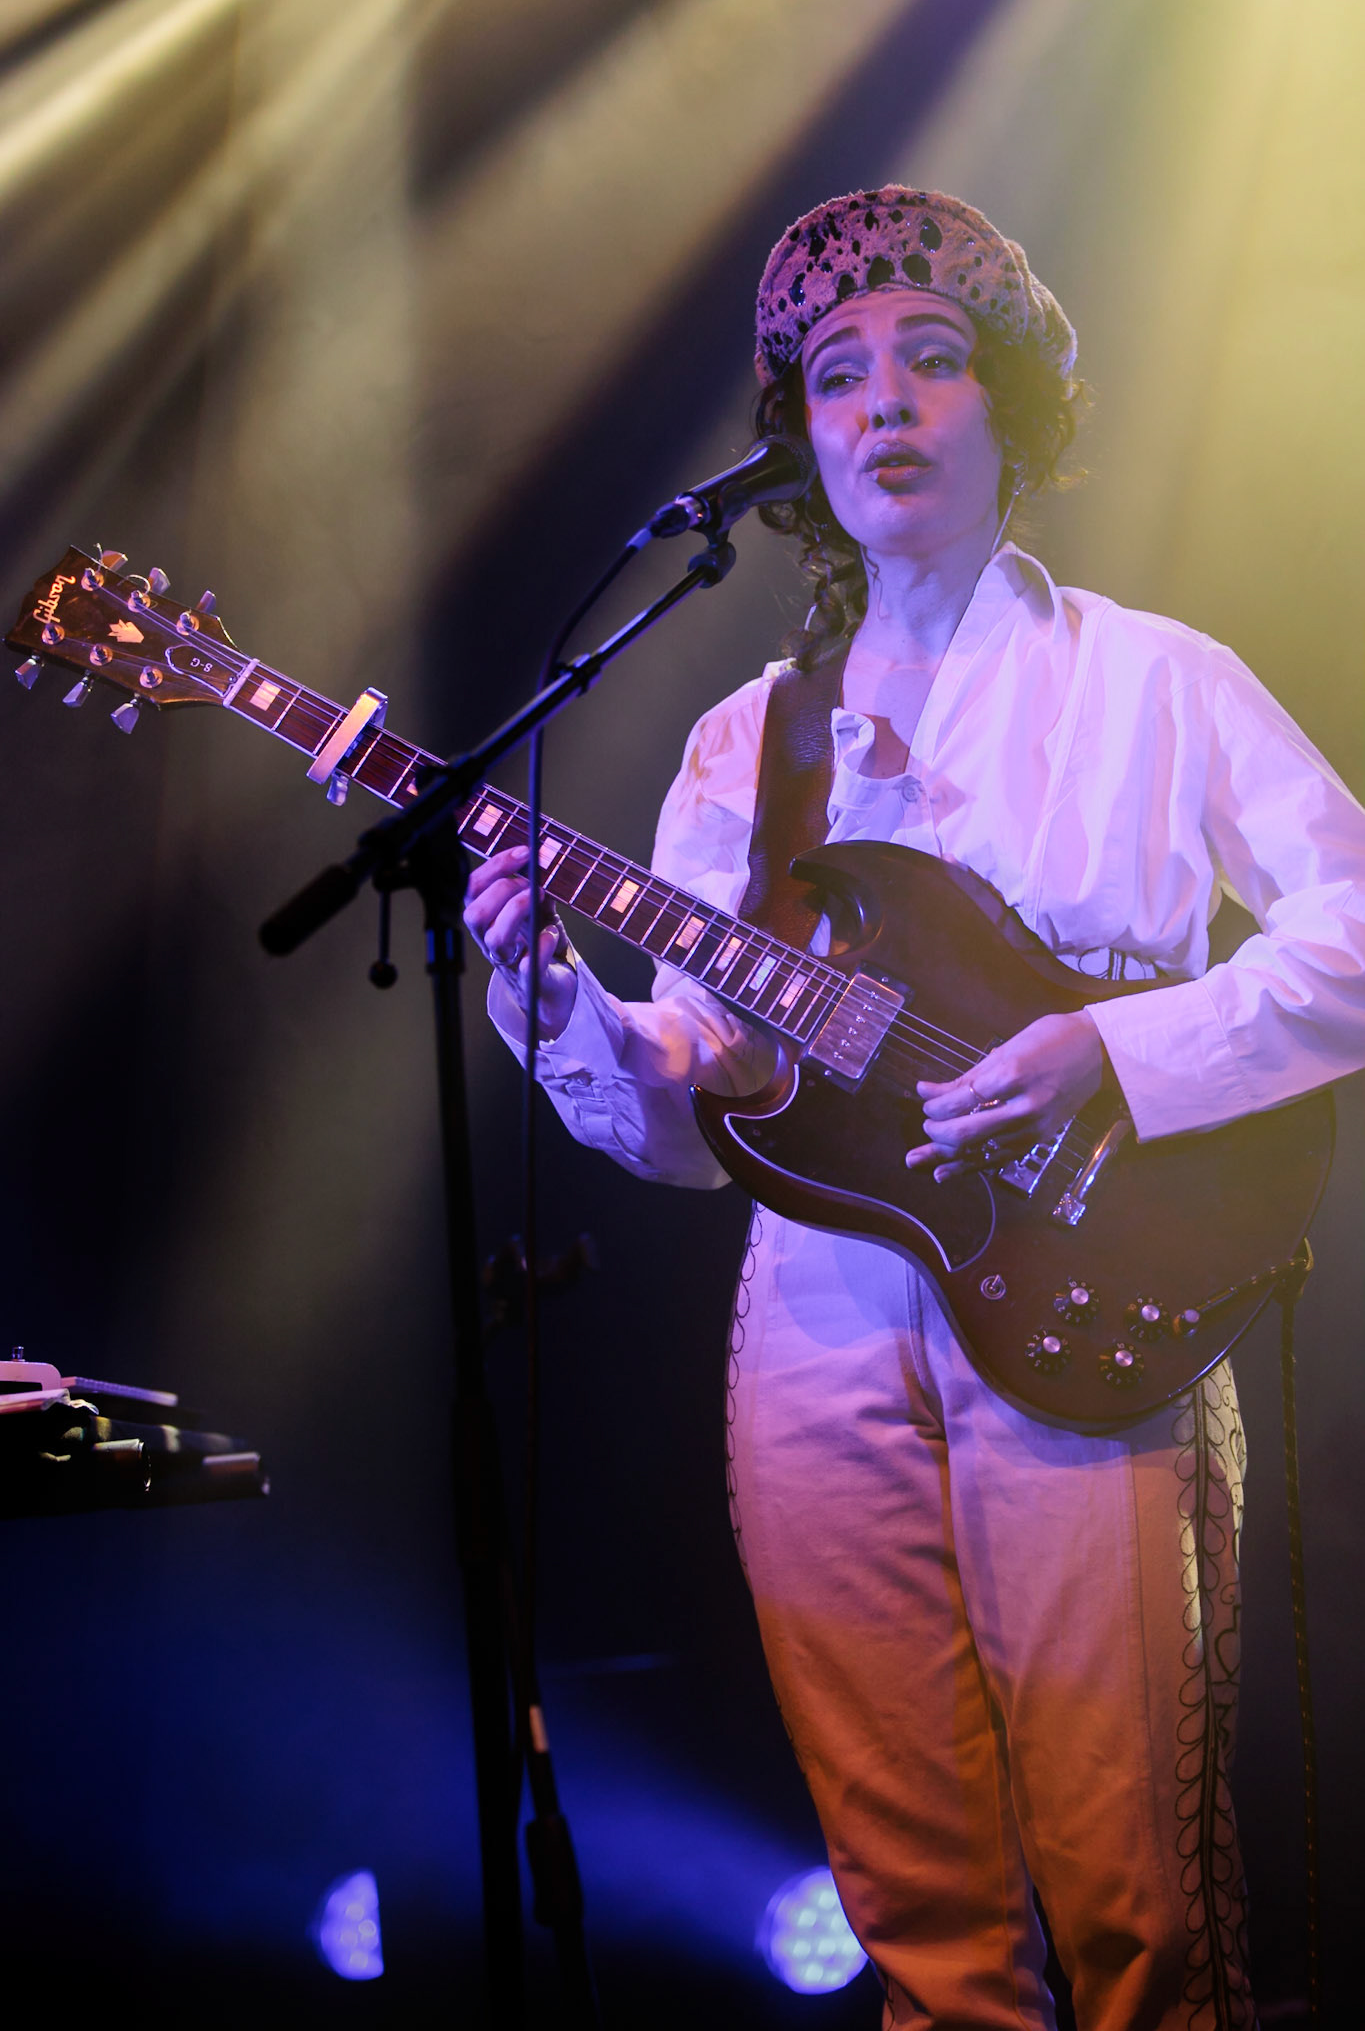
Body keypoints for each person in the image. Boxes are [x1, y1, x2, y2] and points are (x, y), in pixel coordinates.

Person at [463, 188, 1365, 2029]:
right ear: (794, 436)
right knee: (916, 1912)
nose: (882, 406)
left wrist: (1113, 1051)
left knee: (1137, 1907)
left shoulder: (1156, 680)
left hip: (1100, 1271)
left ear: (1008, 402)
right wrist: (552, 994)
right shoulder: (748, 740)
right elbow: (690, 1098)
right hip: (813, 1314)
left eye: (930, 364)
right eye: (836, 377)